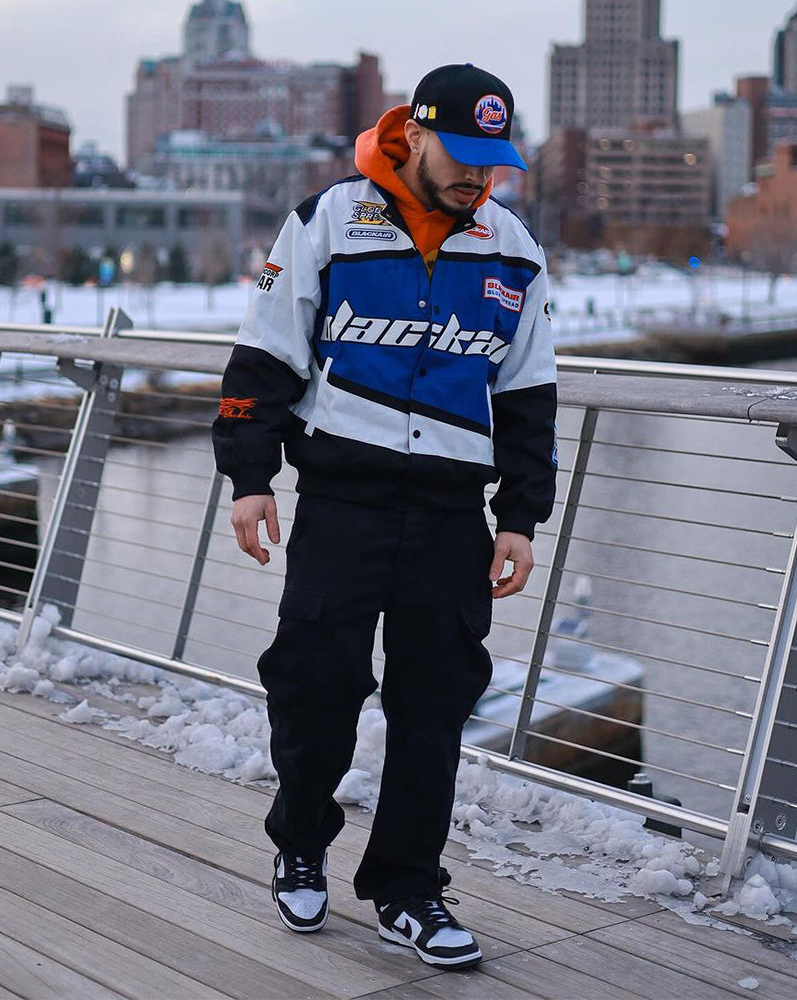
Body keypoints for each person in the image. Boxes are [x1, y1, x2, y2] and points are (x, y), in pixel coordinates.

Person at [212, 63, 557, 971]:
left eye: (496, 163)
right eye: (466, 157)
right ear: (415, 133)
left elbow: (527, 397)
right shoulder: (328, 220)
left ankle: (408, 888)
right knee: (315, 687)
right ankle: (299, 842)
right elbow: (264, 358)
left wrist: (520, 516)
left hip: (451, 519)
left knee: (435, 705)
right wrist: (250, 480)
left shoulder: (514, 248)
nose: (481, 179)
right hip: (341, 505)